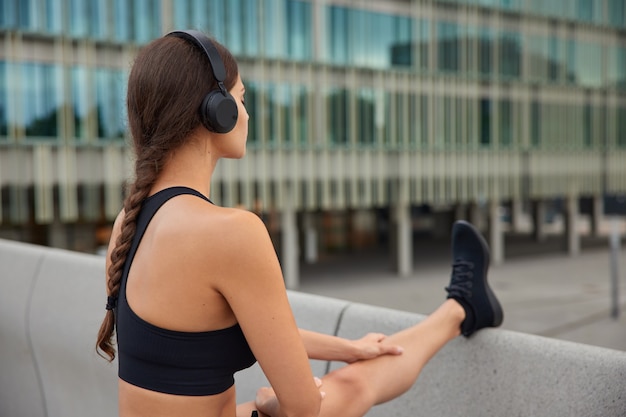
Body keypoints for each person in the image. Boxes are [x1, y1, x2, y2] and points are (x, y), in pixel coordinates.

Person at [96, 29, 503, 417]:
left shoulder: (128, 225)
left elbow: (214, 337)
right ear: (215, 113)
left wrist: (347, 348)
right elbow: (303, 407)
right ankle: (460, 308)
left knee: (360, 364)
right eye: (241, 98)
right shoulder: (229, 233)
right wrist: (275, 407)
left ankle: (460, 308)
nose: (247, 113)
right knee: (354, 387)